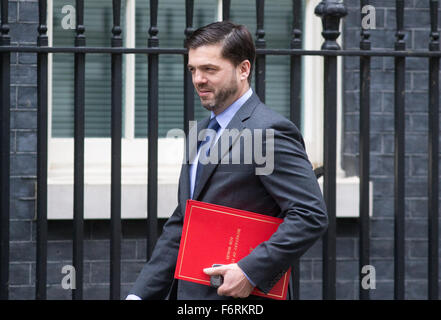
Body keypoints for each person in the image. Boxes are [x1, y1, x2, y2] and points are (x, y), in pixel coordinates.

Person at [126, 21, 328, 300]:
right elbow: (183, 222)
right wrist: (139, 296)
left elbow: (310, 215)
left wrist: (249, 271)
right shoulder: (199, 133)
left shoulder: (270, 131)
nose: (198, 79)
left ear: (243, 69)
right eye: (193, 70)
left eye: (210, 69)